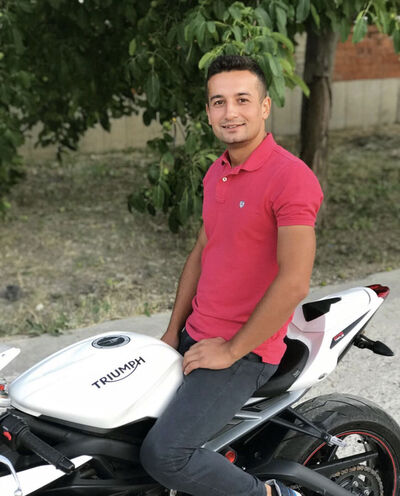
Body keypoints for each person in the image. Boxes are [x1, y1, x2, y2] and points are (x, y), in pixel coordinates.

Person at [140, 55, 323, 496]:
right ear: (208, 112)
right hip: (195, 335)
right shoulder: (216, 171)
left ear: (264, 106)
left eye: (242, 99)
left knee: (165, 455)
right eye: (219, 102)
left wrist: (231, 349)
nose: (230, 112)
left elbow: (294, 282)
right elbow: (202, 251)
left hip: (247, 352)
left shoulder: (291, 178)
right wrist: (172, 331)